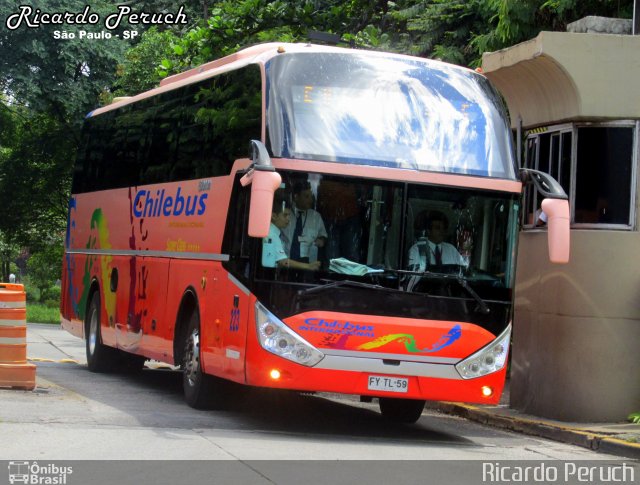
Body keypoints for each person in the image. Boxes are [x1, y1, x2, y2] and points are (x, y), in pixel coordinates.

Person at [262, 192, 322, 271]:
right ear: (274, 216)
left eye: (289, 215)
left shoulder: (276, 232)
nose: (288, 219)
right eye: (285, 215)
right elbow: (283, 262)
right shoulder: (271, 234)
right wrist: (308, 266)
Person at [282, 181, 327, 264]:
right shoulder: (284, 214)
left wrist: (321, 240)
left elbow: (323, 236)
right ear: (296, 197)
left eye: (311, 196)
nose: (310, 200)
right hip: (285, 262)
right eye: (306, 196)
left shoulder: (316, 217)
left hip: (308, 265)